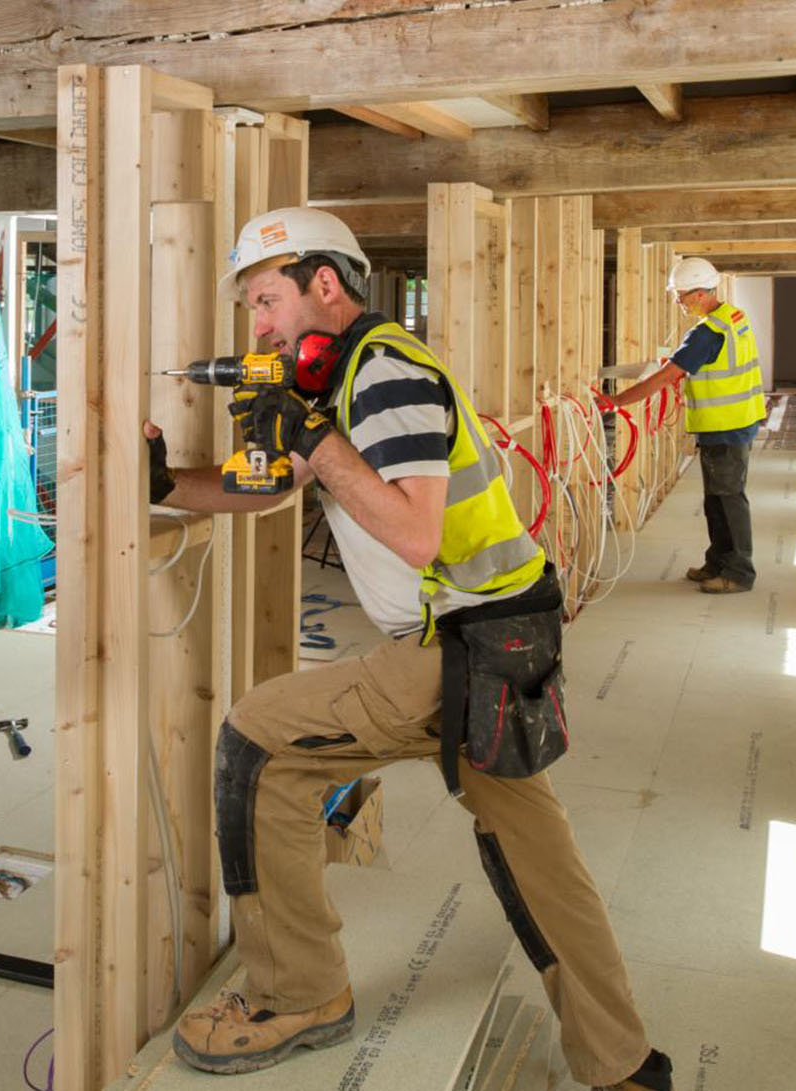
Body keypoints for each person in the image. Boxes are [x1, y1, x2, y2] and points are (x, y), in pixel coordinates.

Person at [147, 207, 672, 1091]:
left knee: (258, 742)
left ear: (325, 283)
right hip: (504, 640)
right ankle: (622, 1060)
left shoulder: (383, 374)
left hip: (460, 648)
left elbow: (418, 536)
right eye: (252, 310)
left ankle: (296, 992)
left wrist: (312, 433)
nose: (260, 325)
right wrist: (170, 486)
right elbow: (267, 488)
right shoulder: (346, 379)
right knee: (537, 853)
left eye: (268, 299)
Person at [610, 256, 766, 594]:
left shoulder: (707, 333)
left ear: (699, 293)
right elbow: (690, 362)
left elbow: (667, 377)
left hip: (726, 426)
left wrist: (615, 402)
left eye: (680, 296)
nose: (678, 302)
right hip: (736, 422)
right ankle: (717, 562)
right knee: (716, 498)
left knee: (728, 499)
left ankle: (738, 572)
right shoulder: (733, 317)